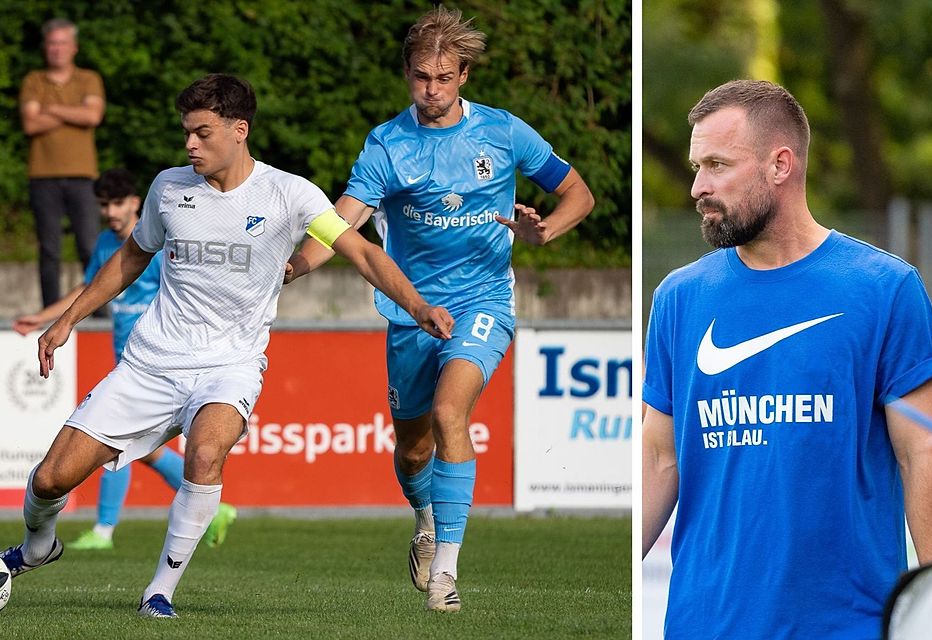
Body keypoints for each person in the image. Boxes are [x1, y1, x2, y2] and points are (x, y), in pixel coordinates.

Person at [0, 73, 454, 619]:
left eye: (202, 132)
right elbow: (131, 257)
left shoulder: (290, 193)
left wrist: (418, 306)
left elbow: (364, 254)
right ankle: (34, 548)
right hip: (151, 364)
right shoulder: (168, 188)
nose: (190, 144)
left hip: (230, 366)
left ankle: (159, 591)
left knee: (207, 451)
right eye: (186, 133)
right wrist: (67, 319)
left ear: (239, 131)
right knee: (51, 478)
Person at [285, 6, 594, 613]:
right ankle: (424, 518)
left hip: (483, 301)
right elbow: (343, 220)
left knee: (454, 413)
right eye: (422, 76)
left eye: (444, 77)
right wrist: (294, 267)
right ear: (407, 74)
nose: (432, 89)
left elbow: (577, 193)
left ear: (464, 77)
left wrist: (545, 232)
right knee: (413, 449)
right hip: (410, 311)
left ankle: (445, 575)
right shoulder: (388, 144)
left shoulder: (504, 133)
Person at [641, 79, 932, 639]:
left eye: (716, 164)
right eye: (696, 166)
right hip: (703, 623)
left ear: (780, 164)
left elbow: (921, 459)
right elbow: (660, 459)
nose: (696, 186)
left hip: (847, 625)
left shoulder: (886, 289)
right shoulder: (678, 298)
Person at [12, 168, 236, 552]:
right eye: (103, 205)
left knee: (111, 443)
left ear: (136, 202)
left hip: (158, 361)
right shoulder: (104, 242)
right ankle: (213, 510)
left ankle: (103, 529)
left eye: (117, 203)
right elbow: (90, 286)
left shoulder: (159, 242)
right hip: (128, 361)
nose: (110, 212)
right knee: (137, 450)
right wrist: (46, 316)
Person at [20, 18, 104, 307]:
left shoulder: (88, 79)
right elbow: (30, 124)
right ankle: (50, 311)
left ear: (74, 47)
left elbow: (92, 116)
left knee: (90, 247)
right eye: (52, 43)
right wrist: (74, 111)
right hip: (42, 175)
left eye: (62, 43)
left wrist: (52, 108)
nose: (56, 49)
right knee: (49, 249)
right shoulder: (34, 80)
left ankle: (96, 308)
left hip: (83, 175)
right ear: (45, 47)